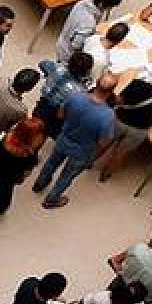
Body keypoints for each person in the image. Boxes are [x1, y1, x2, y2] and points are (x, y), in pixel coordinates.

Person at [32, 73, 118, 208]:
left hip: (64, 139)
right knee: (66, 176)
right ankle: (51, 200)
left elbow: (60, 115)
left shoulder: (76, 96)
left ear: (96, 82)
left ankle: (39, 184)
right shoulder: (108, 116)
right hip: (82, 151)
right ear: (112, 91)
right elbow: (103, 142)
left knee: (51, 163)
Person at [98, 59, 152, 180]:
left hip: (120, 120)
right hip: (139, 129)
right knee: (120, 153)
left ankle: (88, 163)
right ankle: (105, 175)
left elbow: (120, 100)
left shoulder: (137, 84)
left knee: (104, 143)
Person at [0, 116, 46, 226]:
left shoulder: (3, 137)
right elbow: (26, 172)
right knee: (4, 195)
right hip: (8, 179)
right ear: (30, 137)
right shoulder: (29, 154)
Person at [56, 0, 122, 63]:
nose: (109, 9)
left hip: (63, 41)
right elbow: (76, 45)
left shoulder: (84, 2)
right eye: (110, 7)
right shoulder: (89, 23)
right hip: (68, 54)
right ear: (101, 4)